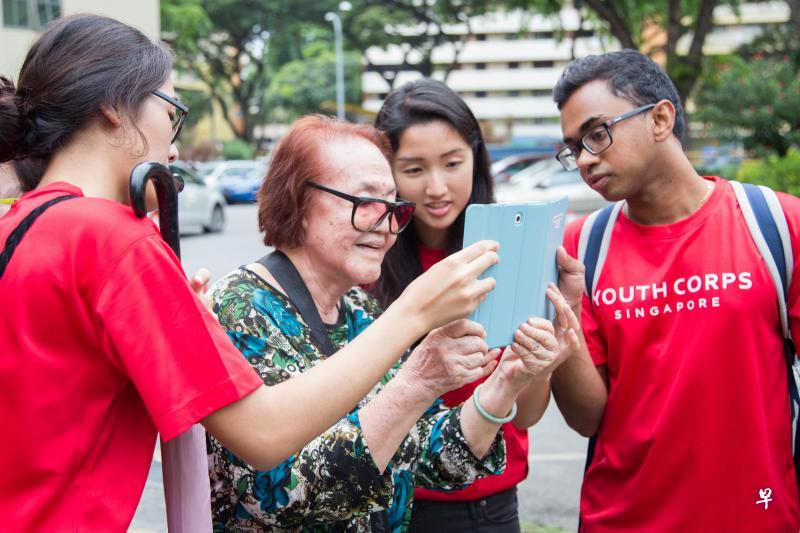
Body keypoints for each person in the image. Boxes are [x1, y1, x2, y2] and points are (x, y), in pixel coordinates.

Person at [0, 15, 502, 531]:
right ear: (112, 106)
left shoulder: (19, 220)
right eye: (172, 112)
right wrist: (415, 312)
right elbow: (264, 438)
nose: (174, 147)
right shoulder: (117, 239)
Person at [205, 114, 581, 531]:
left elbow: (429, 461)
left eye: (392, 206)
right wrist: (417, 378)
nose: (385, 226)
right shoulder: (239, 306)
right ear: (298, 201)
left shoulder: (360, 310)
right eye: (365, 203)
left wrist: (507, 381)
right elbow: (274, 495)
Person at [554, 49, 800, 531]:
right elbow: (588, 419)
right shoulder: (579, 246)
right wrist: (563, 320)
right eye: (573, 147)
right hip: (621, 520)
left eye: (597, 134)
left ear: (661, 118)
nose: (584, 159)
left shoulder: (776, 222)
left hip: (759, 516)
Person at [371, 78, 597, 532]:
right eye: (413, 170)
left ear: (476, 157)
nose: (437, 187)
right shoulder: (369, 260)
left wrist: (538, 360)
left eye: (453, 163)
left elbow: (528, 414)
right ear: (386, 172)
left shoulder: (518, 249)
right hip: (396, 505)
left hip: (492, 507)